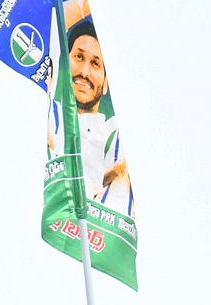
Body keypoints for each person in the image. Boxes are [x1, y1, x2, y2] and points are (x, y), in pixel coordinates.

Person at [61, 3, 133, 215]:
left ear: (105, 82)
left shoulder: (113, 141)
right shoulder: (50, 126)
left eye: (95, 64)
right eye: (79, 57)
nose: (84, 72)